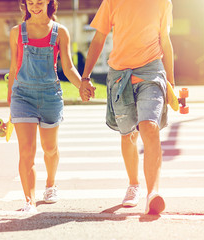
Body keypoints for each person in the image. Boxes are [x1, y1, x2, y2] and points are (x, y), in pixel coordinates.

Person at [80, 0, 174, 215]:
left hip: (151, 71)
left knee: (149, 126)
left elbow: (165, 41)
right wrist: (85, 77)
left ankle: (153, 193)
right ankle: (134, 185)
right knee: (128, 135)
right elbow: (98, 40)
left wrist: (172, 84)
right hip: (120, 75)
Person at [8, 0, 91, 213]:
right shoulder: (17, 32)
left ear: (49, 3)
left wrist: (81, 85)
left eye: (40, 2)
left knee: (50, 148)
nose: (35, 6)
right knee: (27, 151)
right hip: (23, 96)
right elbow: (14, 65)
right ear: (25, 4)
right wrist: (10, 100)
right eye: (31, 3)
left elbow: (68, 66)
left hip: (50, 96)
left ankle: (51, 184)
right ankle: (29, 200)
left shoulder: (60, 32)